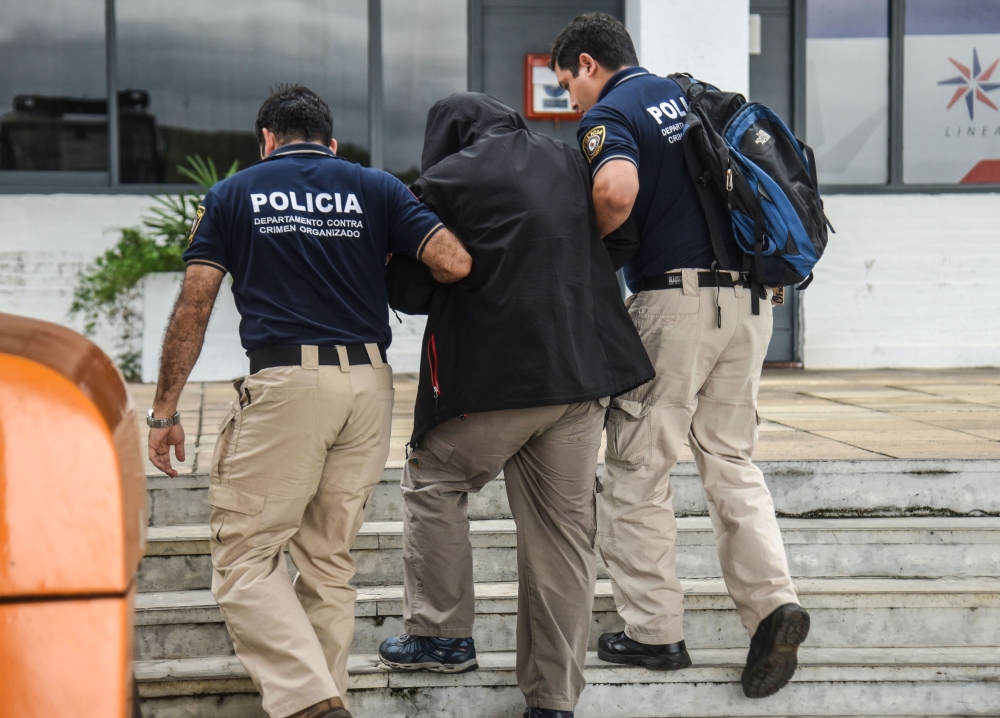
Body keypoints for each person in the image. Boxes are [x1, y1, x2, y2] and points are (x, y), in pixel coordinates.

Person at [145, 85, 471, 718]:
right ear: (331, 142)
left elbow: (196, 302)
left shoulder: (234, 194)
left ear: (266, 140)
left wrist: (164, 410)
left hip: (289, 386)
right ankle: (327, 699)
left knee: (243, 556)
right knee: (328, 560)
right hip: (369, 387)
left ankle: (310, 702)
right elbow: (454, 262)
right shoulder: (375, 187)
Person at [550, 13, 810, 699]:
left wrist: (588, 253)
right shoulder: (687, 95)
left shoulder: (610, 114)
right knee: (729, 459)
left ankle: (655, 633)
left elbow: (614, 191)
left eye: (566, 85)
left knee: (639, 463)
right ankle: (773, 606)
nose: (571, 101)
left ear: (586, 63)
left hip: (676, 304)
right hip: (749, 303)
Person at [376, 93, 655, 718]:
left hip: (494, 379)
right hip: (583, 377)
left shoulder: (445, 179)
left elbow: (411, 280)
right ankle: (553, 700)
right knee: (561, 536)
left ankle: (441, 634)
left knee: (435, 480)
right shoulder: (568, 161)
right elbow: (624, 230)